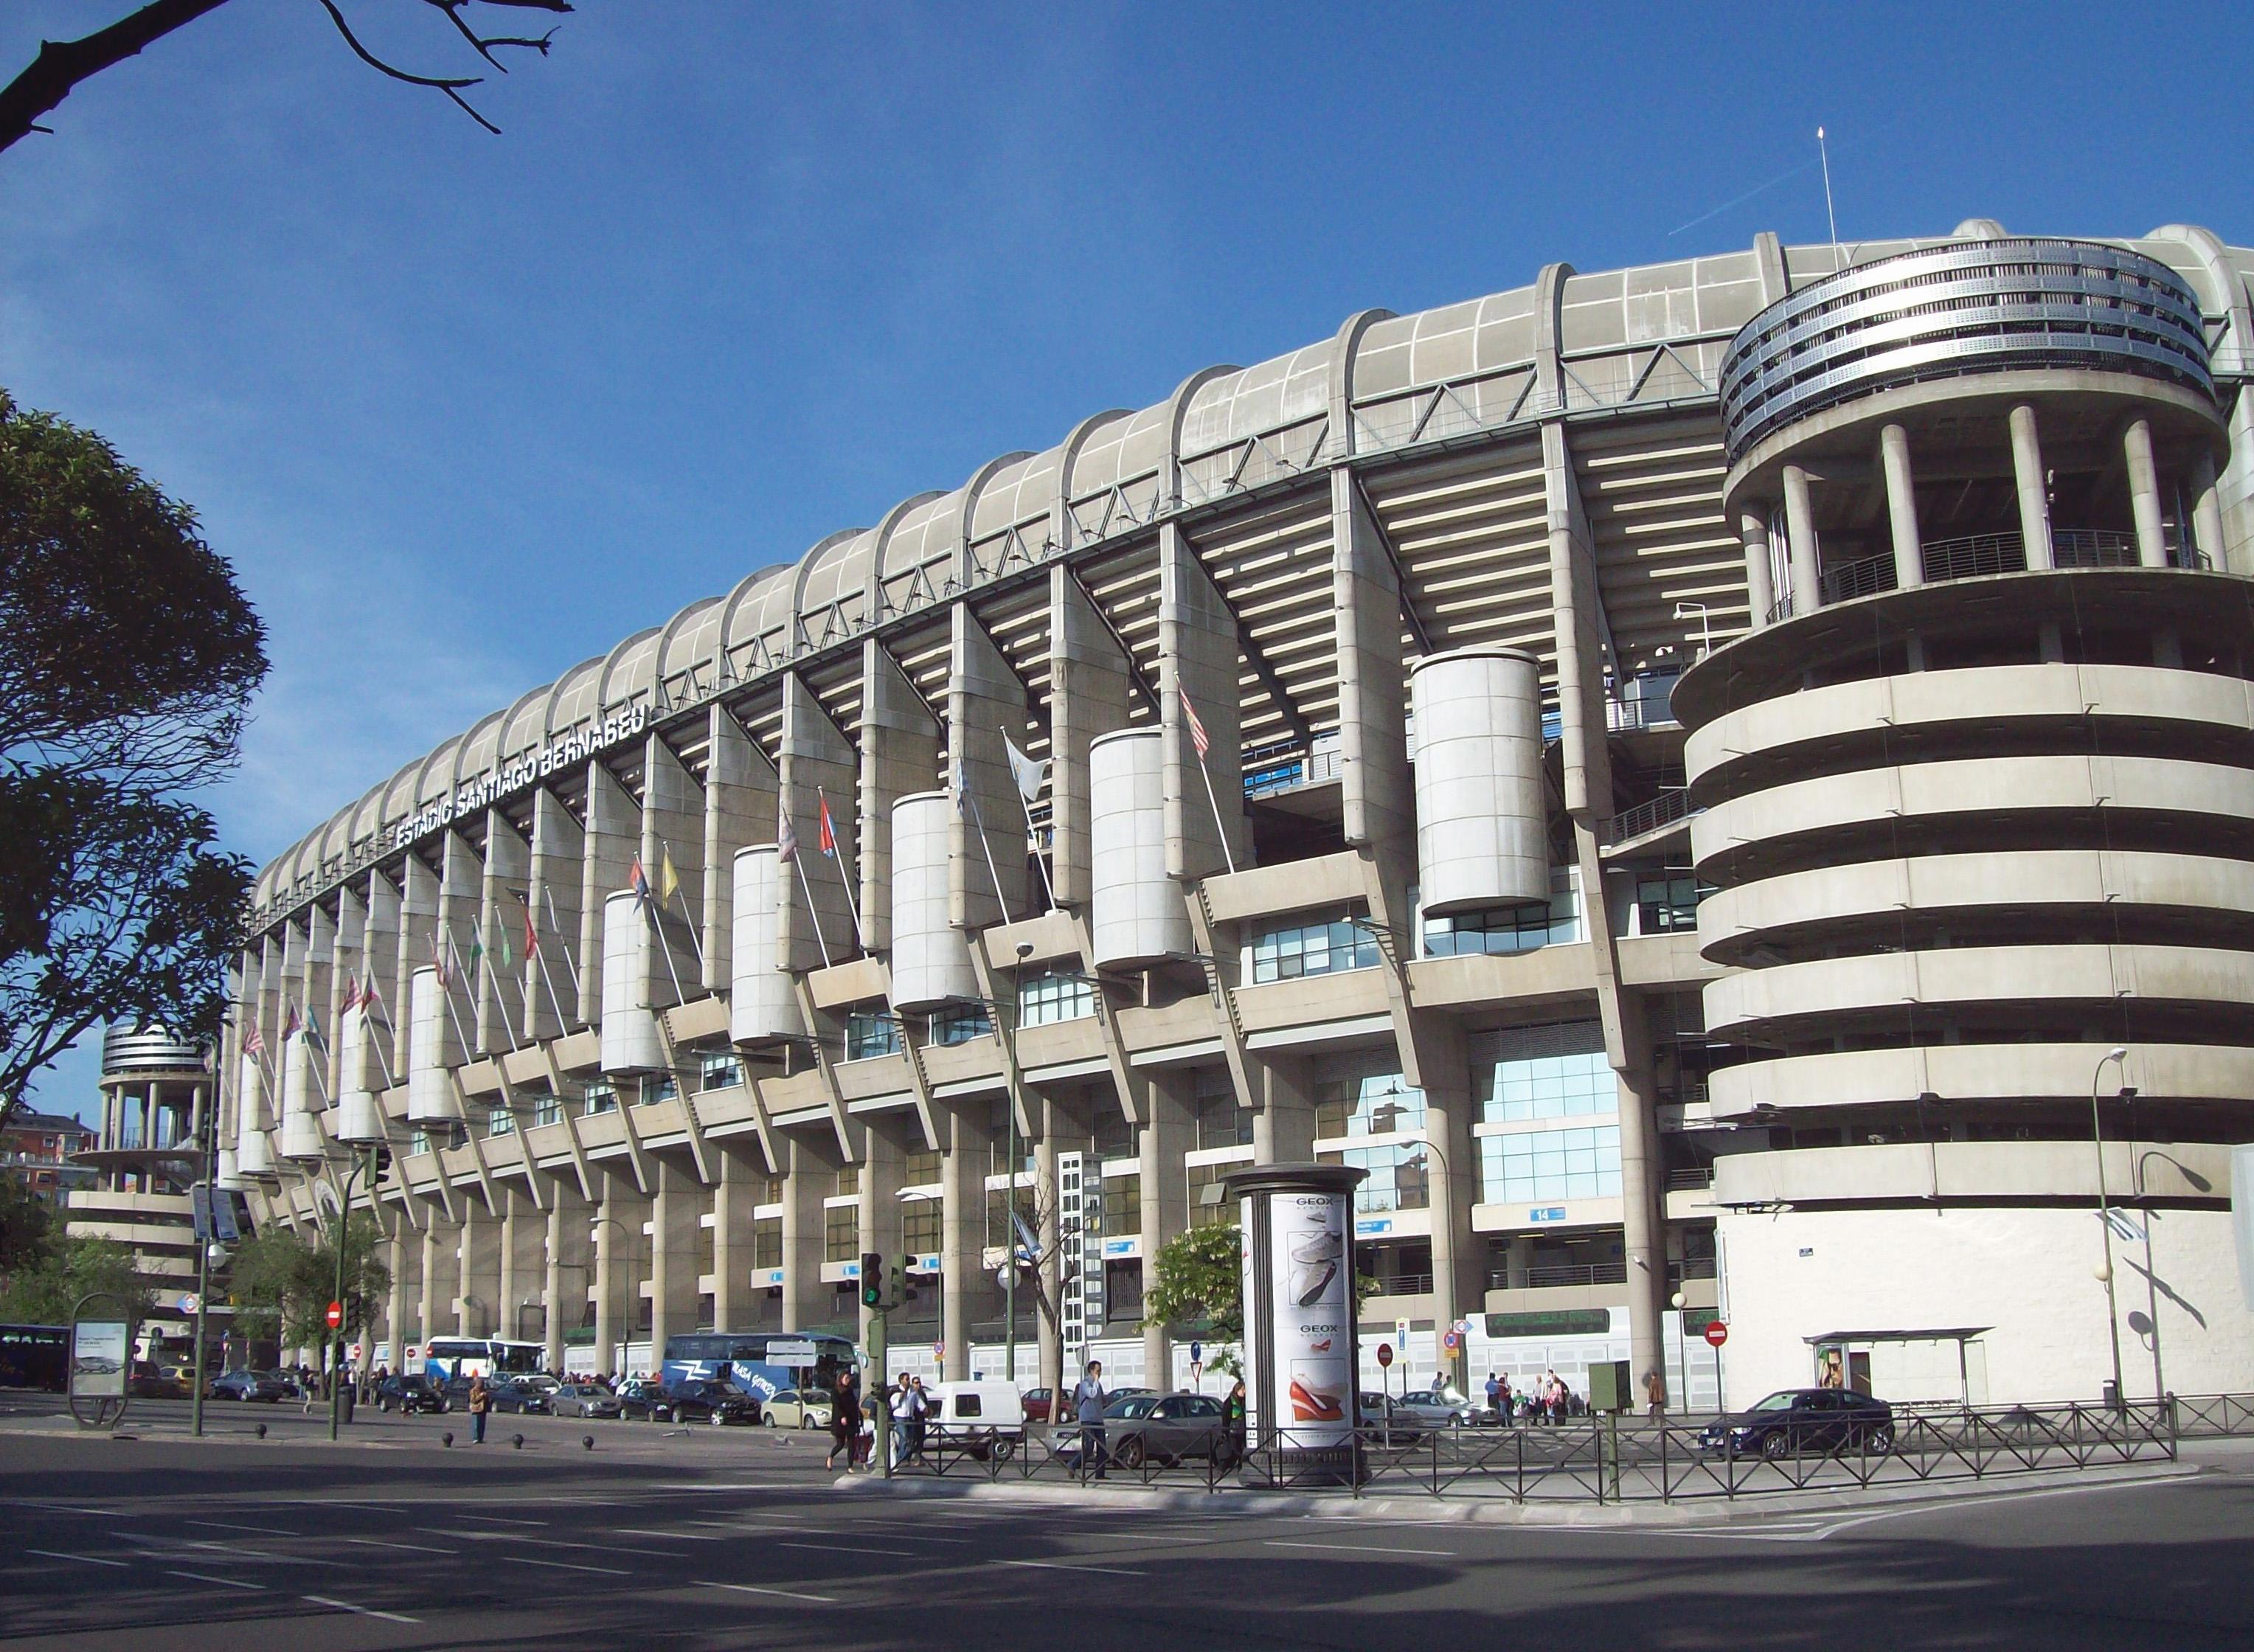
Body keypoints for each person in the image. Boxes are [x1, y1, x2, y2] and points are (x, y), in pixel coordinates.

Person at [1072, 1358, 1110, 1479]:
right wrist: (1096, 1382)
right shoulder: (1085, 1384)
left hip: (1098, 1419)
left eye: (1100, 1371)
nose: (1099, 1373)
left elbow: (1102, 1400)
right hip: (1087, 1419)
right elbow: (1092, 1394)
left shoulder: (1098, 1385)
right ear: (1091, 1371)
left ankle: (1100, 1474)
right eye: (1098, 1371)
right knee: (1088, 1447)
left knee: (1102, 1448)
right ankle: (1072, 1465)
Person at [827, 1372, 859, 1471]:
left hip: (851, 1420)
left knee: (852, 1445)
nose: (848, 1380)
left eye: (849, 1378)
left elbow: (854, 1405)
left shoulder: (850, 1390)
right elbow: (837, 1405)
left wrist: (859, 1417)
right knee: (840, 1445)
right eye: (846, 1378)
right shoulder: (835, 1391)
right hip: (840, 1421)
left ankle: (850, 1466)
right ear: (841, 1379)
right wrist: (842, 1416)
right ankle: (831, 1457)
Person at [467, 1372, 491, 1445]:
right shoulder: (473, 1391)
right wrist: (481, 1396)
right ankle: (476, 1438)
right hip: (476, 1409)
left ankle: (481, 1438)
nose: (481, 1385)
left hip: (483, 1409)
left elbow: (487, 1400)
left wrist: (486, 1396)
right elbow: (473, 1400)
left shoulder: (484, 1390)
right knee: (476, 1425)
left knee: (482, 1425)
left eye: (482, 1384)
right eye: (480, 1384)